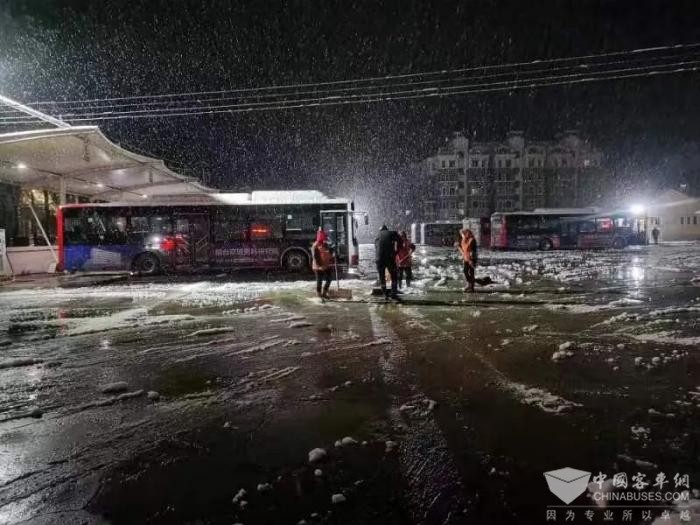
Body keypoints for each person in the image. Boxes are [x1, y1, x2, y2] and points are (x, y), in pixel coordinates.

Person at [375, 225, 402, 299]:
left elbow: (377, 249)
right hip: (389, 257)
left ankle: (385, 294)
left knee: (382, 277)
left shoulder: (377, 236)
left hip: (379, 259)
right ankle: (393, 292)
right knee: (394, 275)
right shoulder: (392, 233)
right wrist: (396, 251)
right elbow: (400, 241)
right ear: (387, 229)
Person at [311, 229, 334, 299]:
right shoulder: (315, 246)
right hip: (318, 266)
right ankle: (319, 294)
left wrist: (332, 255)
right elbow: (316, 257)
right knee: (319, 280)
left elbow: (328, 254)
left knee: (329, 279)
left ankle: (324, 292)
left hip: (326, 265)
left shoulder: (326, 244)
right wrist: (320, 266)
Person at [458, 228, 478, 293]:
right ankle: (470, 284)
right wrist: (458, 247)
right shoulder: (463, 240)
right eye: (463, 234)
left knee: (471, 272)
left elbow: (473, 250)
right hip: (466, 258)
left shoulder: (472, 240)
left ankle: (471, 287)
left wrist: (471, 260)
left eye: (464, 233)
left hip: (472, 258)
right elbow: (463, 250)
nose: (462, 235)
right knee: (465, 271)